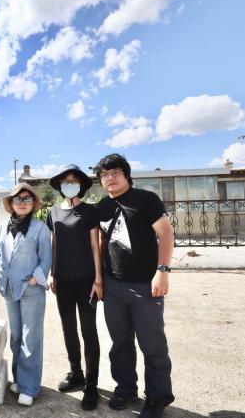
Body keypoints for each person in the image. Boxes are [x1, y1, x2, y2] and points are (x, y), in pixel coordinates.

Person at [95, 153, 175, 418]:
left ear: (127, 175)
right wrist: (100, 279)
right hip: (113, 286)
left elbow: (166, 233)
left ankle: (157, 398)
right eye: (104, 175)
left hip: (145, 286)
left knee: (153, 345)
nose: (110, 178)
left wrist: (162, 271)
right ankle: (126, 388)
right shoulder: (102, 207)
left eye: (115, 172)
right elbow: (101, 243)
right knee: (120, 343)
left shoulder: (146, 199)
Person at [46, 164, 102, 410]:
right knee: (68, 328)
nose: (70, 184)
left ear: (81, 185)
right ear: (60, 185)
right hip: (63, 281)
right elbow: (53, 244)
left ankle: (91, 384)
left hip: (86, 280)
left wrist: (98, 279)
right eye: (66, 181)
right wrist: (52, 273)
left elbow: (95, 246)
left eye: (74, 180)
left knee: (89, 331)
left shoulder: (89, 211)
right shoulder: (53, 212)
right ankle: (76, 373)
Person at [0, 183, 52, 406]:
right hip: (9, 288)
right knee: (16, 336)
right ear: (11, 203)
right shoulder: (3, 227)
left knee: (31, 338)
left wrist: (35, 279)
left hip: (31, 289)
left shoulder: (40, 228)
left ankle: (29, 387)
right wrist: (0, 273)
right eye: (17, 199)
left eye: (27, 198)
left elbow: (46, 258)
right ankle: (19, 379)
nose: (22, 203)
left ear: (33, 203)